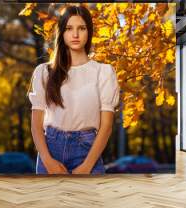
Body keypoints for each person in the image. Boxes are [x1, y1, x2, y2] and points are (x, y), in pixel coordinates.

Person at [28, 5, 120, 174]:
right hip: (50, 150)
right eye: (69, 28)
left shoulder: (103, 72)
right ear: (62, 33)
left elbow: (106, 126)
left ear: (89, 32)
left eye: (82, 28)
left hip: (87, 152)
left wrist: (86, 167)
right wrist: (48, 161)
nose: (75, 34)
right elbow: (36, 124)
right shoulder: (44, 72)